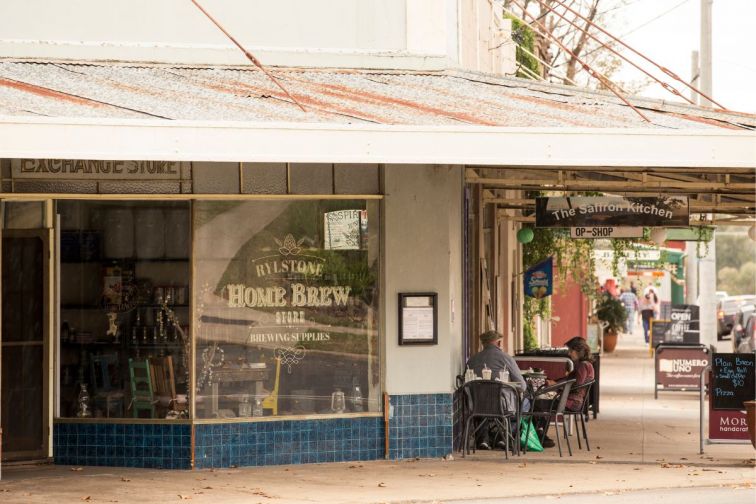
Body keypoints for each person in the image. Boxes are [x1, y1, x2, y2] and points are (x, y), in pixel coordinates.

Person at [465, 330, 526, 450]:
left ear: (483, 344)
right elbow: (522, 386)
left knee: (483, 400)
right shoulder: (506, 358)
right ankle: (502, 438)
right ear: (498, 343)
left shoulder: (472, 360)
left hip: (476, 405)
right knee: (522, 405)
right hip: (502, 406)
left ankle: (483, 439)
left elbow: (466, 382)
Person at [533, 337, 595, 447]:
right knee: (540, 404)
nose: (569, 353)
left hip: (571, 402)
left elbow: (576, 385)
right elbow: (569, 380)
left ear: (579, 351)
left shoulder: (583, 366)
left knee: (536, 404)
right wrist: (555, 383)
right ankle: (541, 435)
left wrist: (558, 387)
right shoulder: (586, 365)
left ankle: (539, 436)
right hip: (575, 402)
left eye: (571, 351)